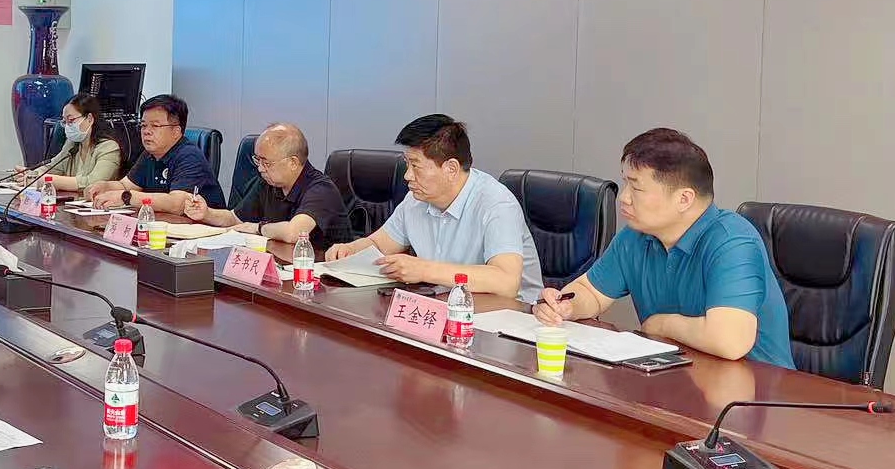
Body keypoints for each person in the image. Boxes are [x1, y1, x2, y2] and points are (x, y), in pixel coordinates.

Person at [532, 128, 795, 367]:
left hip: (757, 393)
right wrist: (566, 306)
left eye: (636, 188)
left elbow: (730, 341)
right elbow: (591, 291)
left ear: (684, 199)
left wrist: (661, 324)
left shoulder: (732, 241)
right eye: (625, 183)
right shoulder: (635, 236)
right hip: (677, 378)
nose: (624, 197)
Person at [326, 115, 543, 302]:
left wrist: (423, 269)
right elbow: (380, 244)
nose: (407, 175)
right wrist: (351, 250)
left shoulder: (496, 204)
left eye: (416, 166)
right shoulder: (416, 199)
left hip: (509, 317)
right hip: (446, 304)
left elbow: (506, 282)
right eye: (407, 164)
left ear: (451, 168)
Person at [183, 123, 350, 248]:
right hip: (282, 264)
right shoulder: (268, 182)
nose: (260, 168)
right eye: (258, 160)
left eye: (267, 163)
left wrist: (259, 228)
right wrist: (206, 213)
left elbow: (295, 233)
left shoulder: (321, 189)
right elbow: (235, 218)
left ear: (293, 162)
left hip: (323, 274)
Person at [88, 93, 225, 212]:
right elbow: (126, 185)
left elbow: (177, 204)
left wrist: (126, 197)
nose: (146, 131)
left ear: (176, 131)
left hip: (203, 229)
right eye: (143, 125)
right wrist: (105, 186)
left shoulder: (190, 156)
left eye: (155, 125)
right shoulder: (150, 154)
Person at [34, 94, 123, 194]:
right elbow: (52, 167)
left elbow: (93, 183)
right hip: (71, 201)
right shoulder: (72, 144)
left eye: (71, 120)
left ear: (89, 119)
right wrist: (30, 175)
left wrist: (50, 180)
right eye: (65, 122)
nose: (67, 126)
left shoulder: (109, 147)